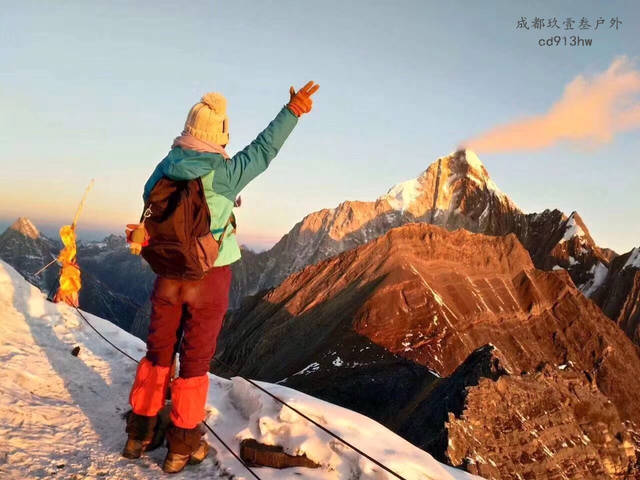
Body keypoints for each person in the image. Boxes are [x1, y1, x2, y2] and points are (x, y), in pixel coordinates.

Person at [122, 81, 319, 473]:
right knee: (194, 361)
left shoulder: (162, 169)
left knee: (158, 353)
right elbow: (264, 150)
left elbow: (151, 213)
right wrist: (292, 110)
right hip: (208, 279)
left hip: (166, 276)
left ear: (189, 128)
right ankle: (181, 446)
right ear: (220, 133)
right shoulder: (224, 173)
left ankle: (139, 434)